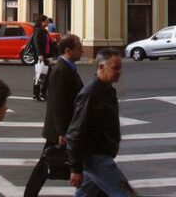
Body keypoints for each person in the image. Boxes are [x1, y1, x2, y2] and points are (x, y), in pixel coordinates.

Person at [24, 34, 85, 197]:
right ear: (68, 50)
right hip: (60, 130)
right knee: (46, 164)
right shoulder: (61, 70)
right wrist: (62, 132)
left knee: (45, 164)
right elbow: (57, 104)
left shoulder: (68, 67)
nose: (83, 51)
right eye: (79, 48)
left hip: (64, 128)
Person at [67, 49, 132, 196]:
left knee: (85, 194)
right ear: (101, 67)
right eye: (115, 68)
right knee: (123, 193)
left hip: (99, 154)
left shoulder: (107, 90)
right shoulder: (91, 94)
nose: (119, 72)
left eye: (120, 68)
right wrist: (75, 169)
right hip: (96, 156)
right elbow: (75, 132)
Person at [30, 16, 52, 102]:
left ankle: (43, 93)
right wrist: (39, 54)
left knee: (47, 75)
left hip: (46, 55)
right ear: (42, 22)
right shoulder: (38, 31)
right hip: (40, 56)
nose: (48, 23)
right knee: (39, 75)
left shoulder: (45, 31)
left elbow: (49, 43)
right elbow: (36, 42)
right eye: (46, 21)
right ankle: (36, 94)